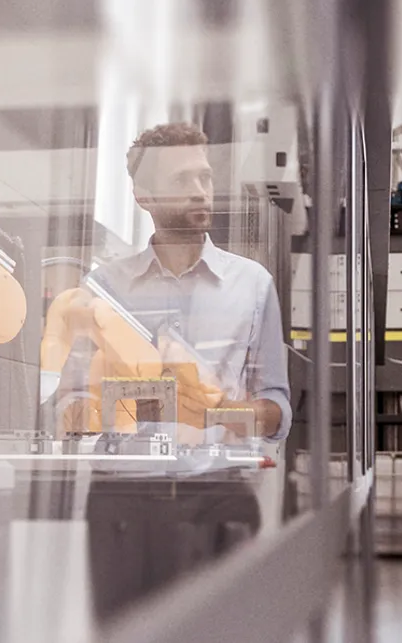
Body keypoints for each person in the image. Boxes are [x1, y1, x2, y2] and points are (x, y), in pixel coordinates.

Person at [69, 122, 292, 623]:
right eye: (181, 179)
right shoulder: (104, 288)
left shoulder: (252, 286)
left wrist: (216, 408)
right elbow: (71, 406)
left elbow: (278, 412)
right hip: (122, 503)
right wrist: (154, 400)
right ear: (143, 195)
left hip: (218, 497)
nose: (199, 190)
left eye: (205, 177)